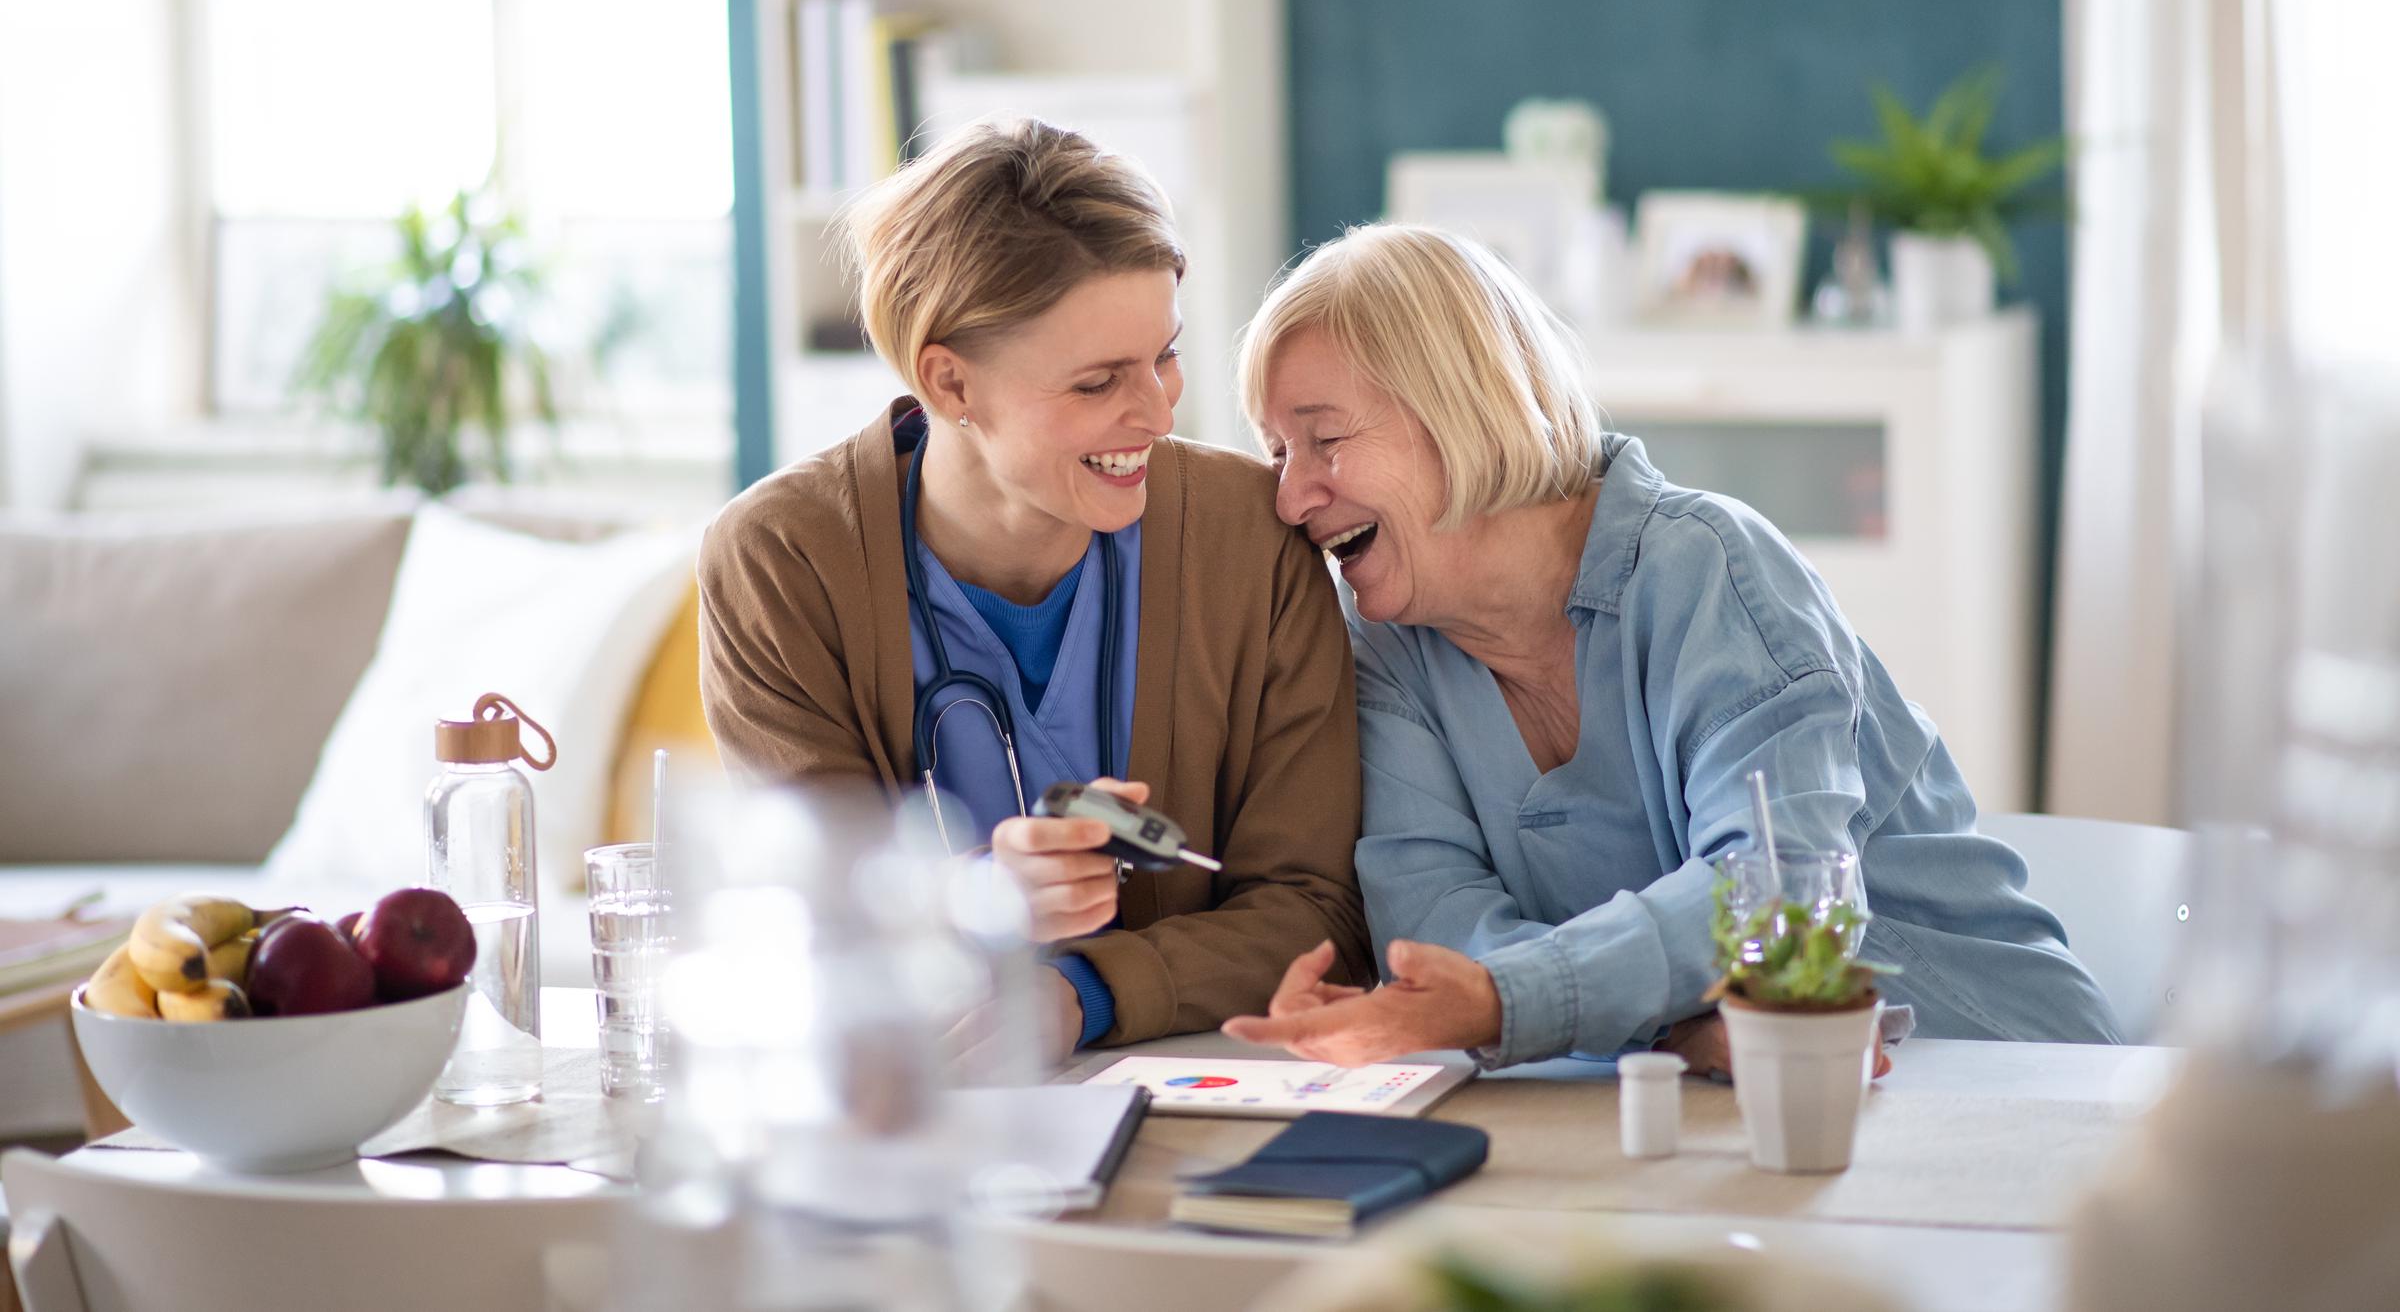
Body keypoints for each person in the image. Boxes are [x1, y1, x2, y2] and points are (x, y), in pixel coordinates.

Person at [1223, 223, 2121, 1071]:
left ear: (1464, 407)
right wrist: (1670, 1029)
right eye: (1275, 455)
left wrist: (1520, 1000)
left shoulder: (1713, 571)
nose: (1291, 498)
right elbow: (1437, 926)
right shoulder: (1390, 649)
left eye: (1325, 440)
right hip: (1728, 1101)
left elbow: (1778, 899)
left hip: (1992, 1068)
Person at [697, 119, 1372, 1058]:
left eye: (1164, 355)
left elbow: (1316, 912)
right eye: (1098, 383)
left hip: (1208, 1093)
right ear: (949, 381)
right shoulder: (782, 563)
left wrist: (1080, 994)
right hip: (925, 1118)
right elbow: (816, 929)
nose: (1159, 411)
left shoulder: (1253, 538)